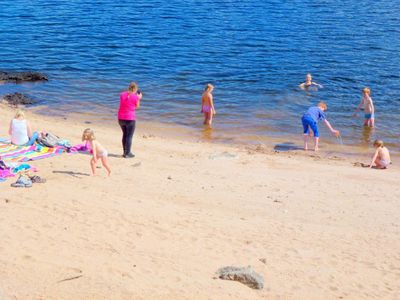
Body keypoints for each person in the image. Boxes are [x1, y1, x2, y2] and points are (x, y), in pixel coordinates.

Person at [118, 82, 142, 158]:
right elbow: (137, 107)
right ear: (135, 89)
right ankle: (127, 153)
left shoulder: (122, 94)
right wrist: (139, 98)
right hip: (130, 119)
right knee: (129, 136)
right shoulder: (136, 97)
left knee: (125, 135)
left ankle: (125, 152)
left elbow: (126, 100)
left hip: (120, 118)